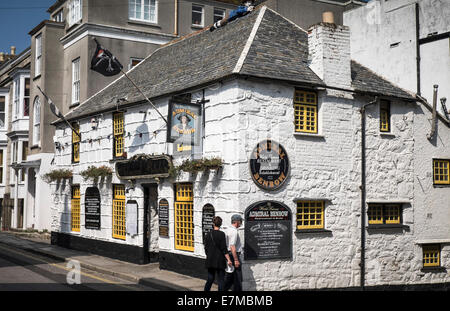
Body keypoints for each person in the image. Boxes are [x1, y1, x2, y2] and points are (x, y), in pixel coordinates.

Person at [204, 216, 232, 291]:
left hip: (210, 260)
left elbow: (206, 248)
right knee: (221, 280)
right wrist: (229, 260)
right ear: (221, 224)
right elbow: (224, 249)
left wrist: (209, 255)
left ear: (213, 224)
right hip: (220, 260)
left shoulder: (208, 234)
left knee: (210, 278)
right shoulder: (222, 234)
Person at [223, 214, 243, 291]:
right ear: (237, 222)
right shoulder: (234, 231)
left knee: (231, 276)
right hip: (233, 255)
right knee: (238, 278)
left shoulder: (227, 229)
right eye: (240, 222)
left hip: (229, 255)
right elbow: (232, 246)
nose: (241, 224)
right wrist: (236, 260)